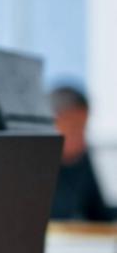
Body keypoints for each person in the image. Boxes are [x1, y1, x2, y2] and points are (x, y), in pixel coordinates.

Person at [50, 84, 114, 222]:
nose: (81, 138)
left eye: (83, 129)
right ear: (52, 124)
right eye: (73, 129)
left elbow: (98, 213)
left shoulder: (82, 158)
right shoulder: (32, 165)